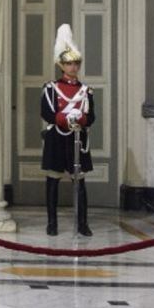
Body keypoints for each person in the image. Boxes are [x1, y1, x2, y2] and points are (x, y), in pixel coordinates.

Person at [40, 24, 95, 237]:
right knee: (52, 181)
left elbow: (92, 116)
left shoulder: (85, 90)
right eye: (69, 63)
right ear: (61, 65)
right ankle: (52, 223)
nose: (73, 67)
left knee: (80, 182)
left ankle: (83, 223)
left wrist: (82, 119)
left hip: (78, 138)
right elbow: (46, 112)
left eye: (76, 63)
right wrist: (62, 119)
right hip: (57, 138)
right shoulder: (50, 89)